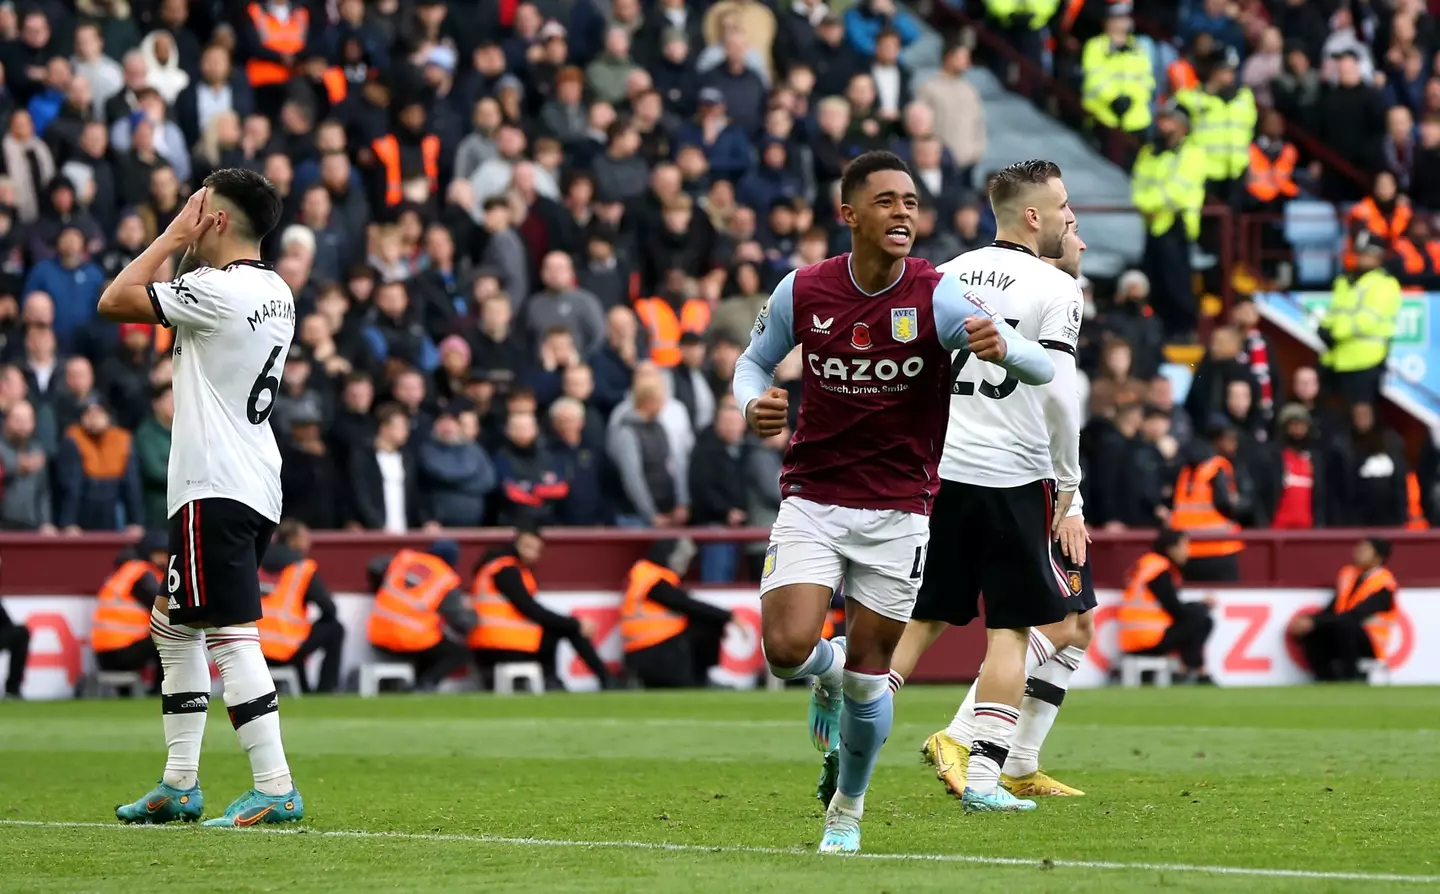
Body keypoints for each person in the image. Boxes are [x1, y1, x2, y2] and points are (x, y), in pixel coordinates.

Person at [732, 150, 1054, 854]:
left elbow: (1044, 364)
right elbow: (751, 362)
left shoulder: (935, 294)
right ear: (849, 215)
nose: (903, 211)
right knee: (787, 650)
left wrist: (1004, 346)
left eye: (909, 201)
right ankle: (821, 673)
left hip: (901, 510)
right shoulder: (803, 291)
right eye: (885, 201)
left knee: (868, 680)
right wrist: (754, 401)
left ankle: (846, 810)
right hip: (814, 497)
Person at [96, 169, 304, 827]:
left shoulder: (215, 291)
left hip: (212, 483)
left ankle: (275, 787)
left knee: (229, 635)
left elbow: (113, 300)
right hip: (253, 479)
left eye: (198, 205)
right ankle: (178, 783)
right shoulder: (277, 289)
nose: (190, 212)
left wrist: (168, 236)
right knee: (171, 622)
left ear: (214, 219)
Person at [882, 220, 1094, 807]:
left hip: (944, 472)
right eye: (1068, 218)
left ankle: (854, 743)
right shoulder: (1053, 290)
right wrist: (1072, 493)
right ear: (1037, 219)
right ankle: (968, 746)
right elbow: (1056, 397)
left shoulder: (945, 274)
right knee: (1029, 627)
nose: (1075, 234)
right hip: (1024, 481)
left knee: (928, 618)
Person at [469, 521, 614, 690]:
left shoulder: (494, 567)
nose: (532, 554)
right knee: (567, 628)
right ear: (517, 543)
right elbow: (531, 609)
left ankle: (553, 678)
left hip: (495, 641)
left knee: (556, 629)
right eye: (528, 547)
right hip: (500, 645)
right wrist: (575, 623)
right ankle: (602, 679)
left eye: (536, 550)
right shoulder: (506, 569)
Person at [621, 538, 735, 688]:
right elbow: (684, 603)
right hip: (653, 647)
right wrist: (728, 616)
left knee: (706, 622)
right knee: (707, 619)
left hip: (654, 645)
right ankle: (699, 679)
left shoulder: (648, 573)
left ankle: (701, 677)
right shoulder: (651, 577)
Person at [366, 540, 477, 690]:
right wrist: (470, 611)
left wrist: (380, 588)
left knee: (431, 646)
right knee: (458, 653)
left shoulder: (406, 559)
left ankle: (406, 685)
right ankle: (426, 684)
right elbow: (461, 622)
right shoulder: (444, 577)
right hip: (410, 640)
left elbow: (374, 566)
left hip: (377, 636)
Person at [1288, 537, 1398, 682]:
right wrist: (1311, 621)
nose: (1357, 552)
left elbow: (1357, 614)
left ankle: (1351, 676)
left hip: (1369, 642)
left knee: (1345, 625)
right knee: (1313, 631)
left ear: (1378, 557)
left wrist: (1317, 622)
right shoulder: (1349, 575)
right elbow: (1334, 608)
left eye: (1364, 549)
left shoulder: (1384, 584)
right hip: (1343, 628)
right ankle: (1325, 678)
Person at [257, 521, 344, 694]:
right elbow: (329, 609)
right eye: (304, 538)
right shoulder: (301, 567)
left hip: (253, 647)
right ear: (292, 539)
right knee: (335, 629)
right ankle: (325, 690)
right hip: (288, 648)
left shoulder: (255, 561)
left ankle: (303, 685)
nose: (308, 543)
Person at [1119, 529, 1215, 682]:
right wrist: (1201, 606)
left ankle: (1193, 670)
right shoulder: (1159, 570)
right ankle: (1191, 671)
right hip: (1149, 639)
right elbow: (1176, 610)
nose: (1187, 552)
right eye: (1184, 546)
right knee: (1203, 619)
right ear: (1171, 548)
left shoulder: (1147, 565)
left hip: (1133, 638)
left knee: (1197, 615)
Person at [1319, 231, 1401, 408]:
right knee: (1332, 412)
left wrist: (1335, 333)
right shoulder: (1344, 280)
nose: (1362, 257)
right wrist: (1323, 327)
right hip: (1337, 358)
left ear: (1378, 256)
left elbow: (1367, 319)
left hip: (1366, 360)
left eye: (1367, 253)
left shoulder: (1385, 283)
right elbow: (1334, 310)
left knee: (1362, 414)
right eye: (1359, 252)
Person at [90, 530, 169, 694]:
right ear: (148, 553)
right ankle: (161, 691)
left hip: (104, 652)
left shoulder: (127, 570)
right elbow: (164, 610)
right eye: (159, 554)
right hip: (122, 651)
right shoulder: (142, 574)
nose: (164, 559)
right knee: (169, 638)